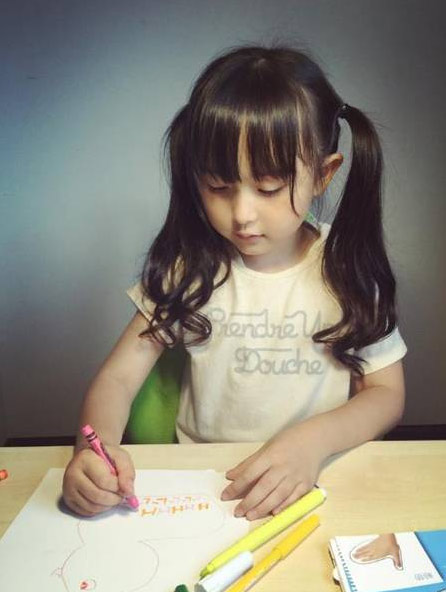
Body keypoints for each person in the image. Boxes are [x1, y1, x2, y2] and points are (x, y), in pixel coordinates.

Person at [63, 42, 407, 520]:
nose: (242, 214)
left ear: (323, 174)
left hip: (311, 481)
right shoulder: (192, 268)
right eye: (218, 187)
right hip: (203, 487)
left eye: (268, 188)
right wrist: (91, 453)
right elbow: (119, 378)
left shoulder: (346, 269)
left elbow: (386, 394)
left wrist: (312, 442)